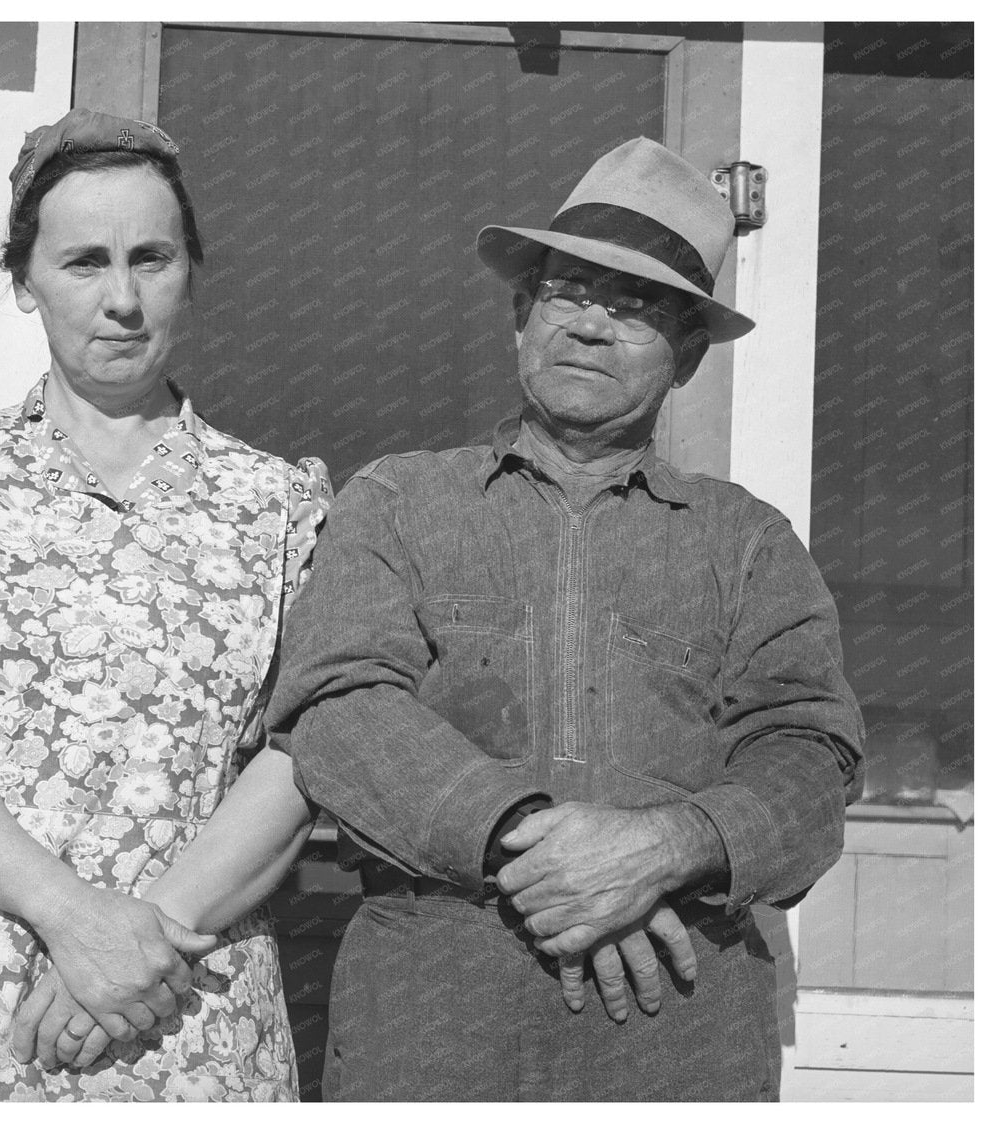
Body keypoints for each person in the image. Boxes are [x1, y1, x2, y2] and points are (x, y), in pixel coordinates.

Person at [267, 138, 864, 1101]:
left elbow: (811, 764)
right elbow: (337, 709)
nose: (591, 325)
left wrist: (667, 846)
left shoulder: (749, 542)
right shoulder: (399, 501)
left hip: (682, 1035)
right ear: (520, 318)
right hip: (431, 1026)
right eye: (568, 294)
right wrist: (537, 842)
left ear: (688, 355)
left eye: (634, 308)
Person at [0, 108, 331, 1102]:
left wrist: (139, 945)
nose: (123, 299)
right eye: (85, 262)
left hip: (187, 1009)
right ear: (24, 281)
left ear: (190, 272)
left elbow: (302, 757)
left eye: (152, 259)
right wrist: (76, 919)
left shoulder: (281, 507)